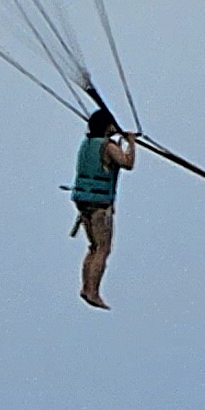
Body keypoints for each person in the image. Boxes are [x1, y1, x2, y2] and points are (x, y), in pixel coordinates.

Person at [67, 105, 137, 308]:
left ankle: (86, 287)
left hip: (84, 203)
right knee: (103, 249)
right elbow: (128, 163)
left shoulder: (87, 144)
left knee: (93, 247)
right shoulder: (107, 146)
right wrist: (131, 143)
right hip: (99, 206)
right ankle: (93, 291)